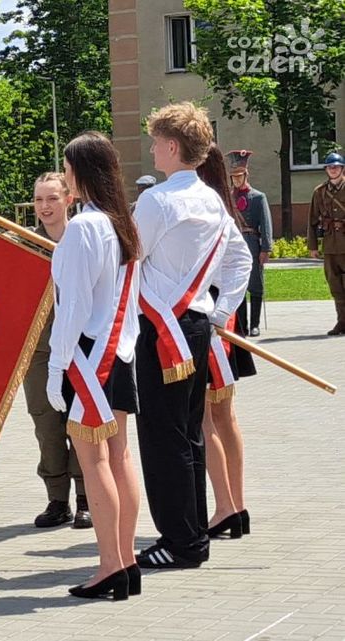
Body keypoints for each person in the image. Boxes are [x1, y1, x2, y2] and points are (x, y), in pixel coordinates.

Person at [133, 103, 251, 570]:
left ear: (171, 146)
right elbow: (240, 260)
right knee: (188, 434)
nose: (151, 150)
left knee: (164, 438)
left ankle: (181, 541)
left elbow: (130, 257)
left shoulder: (157, 201)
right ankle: (193, 533)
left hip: (161, 329)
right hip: (197, 326)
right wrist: (220, 313)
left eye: (155, 142)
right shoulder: (212, 201)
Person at [47, 133, 143, 601]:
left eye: (67, 168)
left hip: (88, 355)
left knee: (95, 461)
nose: (65, 175)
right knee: (120, 457)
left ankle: (110, 566)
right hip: (118, 351)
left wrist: (56, 365)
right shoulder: (120, 221)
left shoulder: (85, 226)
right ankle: (125, 561)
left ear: (79, 171)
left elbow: (74, 306)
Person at [22, 172, 91, 530]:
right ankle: (57, 500)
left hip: (79, 348)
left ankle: (86, 498)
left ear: (69, 200)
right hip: (39, 351)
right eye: (39, 200)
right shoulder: (24, 244)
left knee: (79, 423)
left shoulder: (82, 239)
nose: (45, 207)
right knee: (46, 425)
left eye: (52, 198)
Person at [197, 145, 257, 540]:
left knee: (207, 418)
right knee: (225, 416)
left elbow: (240, 263)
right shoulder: (221, 206)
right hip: (222, 314)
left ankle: (225, 507)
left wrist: (219, 314)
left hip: (210, 318)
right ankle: (236, 505)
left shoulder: (205, 210)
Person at [227, 150, 273, 336]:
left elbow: (266, 224)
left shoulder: (258, 197)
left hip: (252, 244)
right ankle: (241, 326)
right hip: (233, 245)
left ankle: (254, 324)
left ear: (246, 175)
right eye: (234, 177)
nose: (236, 180)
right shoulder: (228, 197)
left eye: (239, 176)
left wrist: (266, 249)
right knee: (238, 287)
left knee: (255, 285)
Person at [307, 151, 345, 335]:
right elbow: (312, 220)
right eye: (330, 167)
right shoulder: (319, 192)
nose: (333, 170)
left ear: (342, 169)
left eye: (336, 167)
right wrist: (313, 246)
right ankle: (342, 322)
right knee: (335, 286)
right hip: (330, 245)